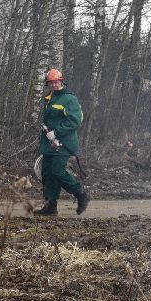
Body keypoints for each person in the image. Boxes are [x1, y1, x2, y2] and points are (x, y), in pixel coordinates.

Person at [36, 67, 88, 216]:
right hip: (49, 144)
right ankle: (50, 206)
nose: (54, 85)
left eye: (56, 82)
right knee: (47, 174)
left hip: (63, 144)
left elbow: (75, 121)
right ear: (48, 84)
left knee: (58, 171)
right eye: (51, 83)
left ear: (61, 81)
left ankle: (81, 194)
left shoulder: (69, 98)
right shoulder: (50, 98)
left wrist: (56, 133)